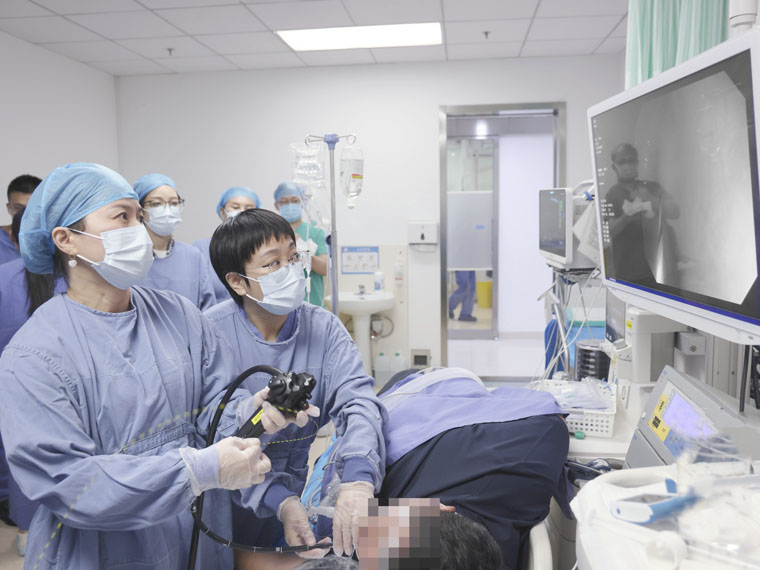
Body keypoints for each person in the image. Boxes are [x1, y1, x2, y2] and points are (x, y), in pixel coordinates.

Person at [0, 163, 315, 570]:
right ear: (66, 240)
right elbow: (69, 484)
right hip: (102, 549)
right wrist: (195, 470)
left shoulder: (178, 315)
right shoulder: (35, 354)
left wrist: (253, 414)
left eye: (139, 215)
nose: (140, 229)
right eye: (122, 216)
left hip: (197, 535)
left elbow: (214, 407)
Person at [205, 208, 387, 562]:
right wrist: (279, 499)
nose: (290, 270)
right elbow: (215, 432)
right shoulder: (210, 333)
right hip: (220, 504)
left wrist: (358, 479)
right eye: (273, 263)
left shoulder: (324, 328)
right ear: (238, 282)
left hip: (289, 497)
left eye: (292, 257)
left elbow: (360, 404)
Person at [308, 368, 571, 570]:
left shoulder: (541, 444)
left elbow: (552, 415)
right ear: (441, 509)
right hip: (421, 388)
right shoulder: (358, 528)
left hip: (452, 411)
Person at [0, 210, 66, 556]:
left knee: (21, 459)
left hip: (15, 391)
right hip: (71, 393)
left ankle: (27, 533)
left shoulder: (4, 278)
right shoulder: (74, 278)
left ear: (13, 239)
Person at [133, 173, 215, 309]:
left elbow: (208, 310)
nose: (167, 210)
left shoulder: (193, 256)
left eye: (174, 203)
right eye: (156, 203)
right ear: (140, 210)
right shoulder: (130, 257)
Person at [606, 143, 680, 286]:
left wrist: (649, 198)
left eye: (631, 160)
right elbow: (610, 231)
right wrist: (627, 217)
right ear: (614, 167)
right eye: (622, 162)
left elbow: (675, 212)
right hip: (630, 274)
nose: (627, 165)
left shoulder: (653, 187)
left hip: (661, 269)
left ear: (637, 162)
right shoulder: (612, 195)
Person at [193, 186, 262, 304]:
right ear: (222, 212)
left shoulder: (263, 248)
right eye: (235, 207)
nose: (242, 212)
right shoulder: (202, 248)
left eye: (249, 208)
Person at [273, 182, 328, 307]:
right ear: (277, 205)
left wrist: (303, 252)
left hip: (313, 301)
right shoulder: (271, 234)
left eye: (295, 200)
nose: (290, 205)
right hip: (282, 304)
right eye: (284, 201)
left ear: (303, 202)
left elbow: (325, 269)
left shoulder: (315, 232)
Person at [1, 174, 41, 265]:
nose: (25, 215)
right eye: (18, 208)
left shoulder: (57, 240)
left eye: (32, 208)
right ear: (9, 208)